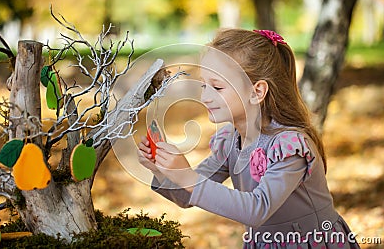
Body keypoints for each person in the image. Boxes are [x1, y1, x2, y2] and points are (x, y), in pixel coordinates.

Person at [137, 28, 360, 249]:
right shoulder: (231, 141)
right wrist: (163, 169)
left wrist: (187, 177)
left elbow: (257, 209)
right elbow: (188, 196)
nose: (204, 96)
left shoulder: (289, 147)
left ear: (257, 92)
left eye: (217, 87)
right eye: (204, 85)